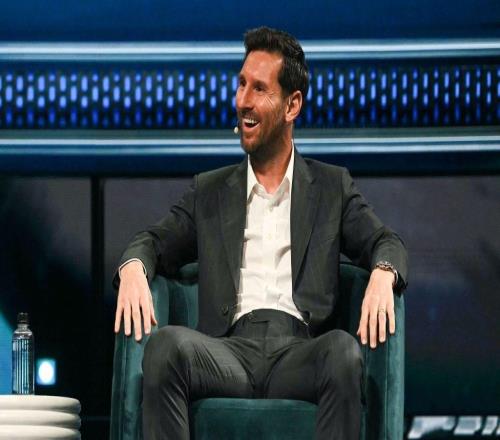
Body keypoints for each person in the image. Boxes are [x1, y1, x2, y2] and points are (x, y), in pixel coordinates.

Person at [113, 27, 408, 440]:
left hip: (300, 353)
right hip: (226, 352)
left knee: (343, 352)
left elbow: (386, 242)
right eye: (241, 85)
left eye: (259, 89)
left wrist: (383, 272)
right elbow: (154, 241)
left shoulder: (331, 187)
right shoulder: (210, 191)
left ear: (292, 105)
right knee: (165, 348)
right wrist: (133, 267)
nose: (242, 101)